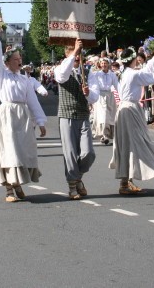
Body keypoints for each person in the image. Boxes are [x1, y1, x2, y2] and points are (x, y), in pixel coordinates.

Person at [0, 16, 47, 202]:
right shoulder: (1, 75)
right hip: (7, 115)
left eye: (20, 58)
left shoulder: (24, 79)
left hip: (22, 117)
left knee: (23, 150)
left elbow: (32, 101)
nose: (19, 61)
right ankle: (9, 189)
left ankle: (18, 183)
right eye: (16, 59)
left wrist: (41, 122)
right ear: (7, 62)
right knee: (9, 150)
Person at [110, 46, 154, 195]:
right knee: (134, 143)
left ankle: (125, 181)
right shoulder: (132, 74)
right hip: (130, 109)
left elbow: (145, 71)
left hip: (126, 109)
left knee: (127, 144)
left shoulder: (126, 73)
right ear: (134, 59)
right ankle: (127, 181)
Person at [54, 39, 99, 199]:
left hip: (83, 114)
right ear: (67, 54)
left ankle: (77, 177)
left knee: (88, 153)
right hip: (66, 115)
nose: (78, 56)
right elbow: (62, 76)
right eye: (74, 52)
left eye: (80, 53)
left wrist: (89, 94)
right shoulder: (60, 69)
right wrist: (74, 53)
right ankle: (72, 186)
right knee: (70, 153)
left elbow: (95, 96)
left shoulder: (88, 72)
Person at [88, 57, 119, 144]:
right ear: (100, 64)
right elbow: (92, 85)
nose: (104, 65)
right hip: (100, 96)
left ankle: (106, 134)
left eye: (105, 63)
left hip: (110, 96)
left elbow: (117, 85)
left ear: (108, 64)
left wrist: (122, 96)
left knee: (109, 116)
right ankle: (104, 135)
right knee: (103, 115)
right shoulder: (96, 74)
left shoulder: (112, 75)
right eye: (102, 63)